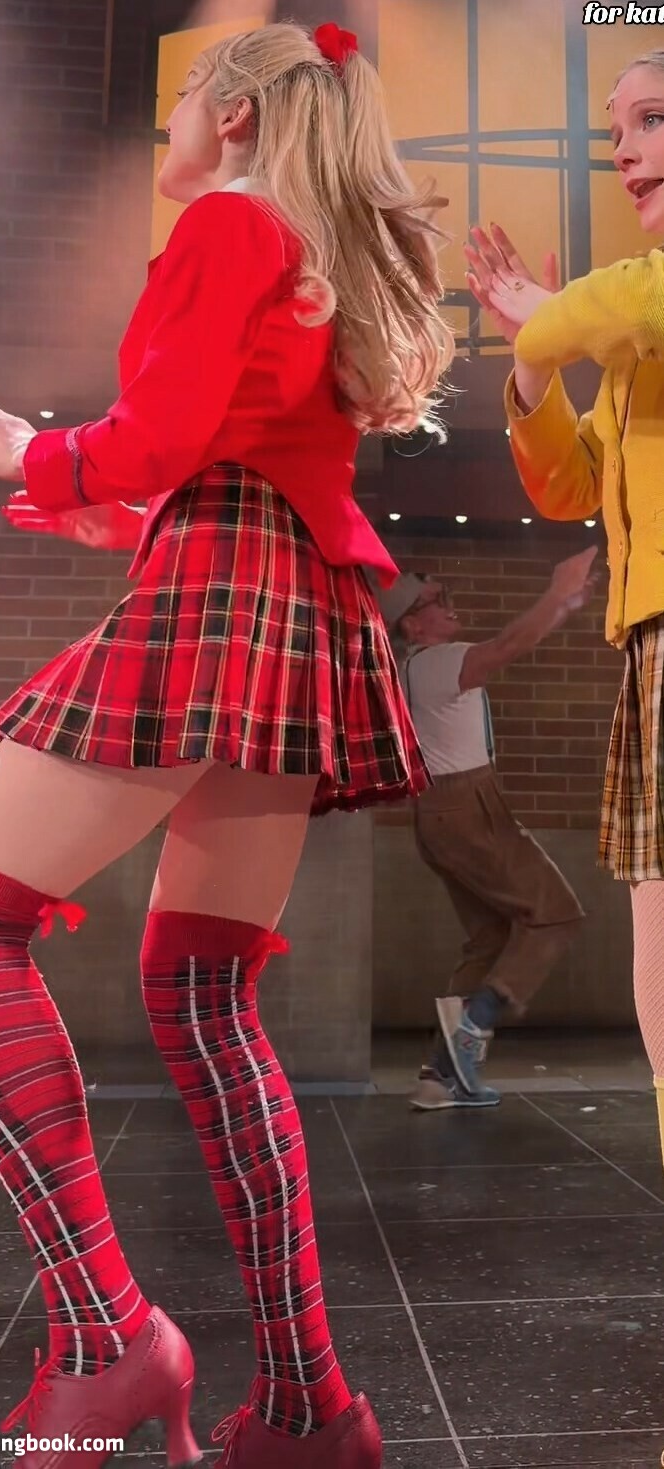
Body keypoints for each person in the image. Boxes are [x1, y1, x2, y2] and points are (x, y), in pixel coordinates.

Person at [0, 21, 454, 1469]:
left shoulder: (227, 221)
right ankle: (307, 1408)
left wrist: (25, 451)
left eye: (182, 102)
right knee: (205, 999)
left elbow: (154, 438)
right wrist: (113, 503)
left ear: (236, 111)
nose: (169, 126)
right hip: (294, 609)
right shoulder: (313, 248)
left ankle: (108, 1338)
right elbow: (236, 458)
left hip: (225, 599)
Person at [465, 51, 664, 1184]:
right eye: (616, 130)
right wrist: (531, 369)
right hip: (647, 639)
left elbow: (630, 301)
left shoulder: (633, 301)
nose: (623, 150)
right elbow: (568, 485)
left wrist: (550, 320)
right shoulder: (625, 327)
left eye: (651, 119)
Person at [374, 557, 592, 1111]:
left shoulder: (418, 666)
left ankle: (440, 1076)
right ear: (412, 624)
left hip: (442, 814)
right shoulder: (437, 661)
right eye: (437, 600)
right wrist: (557, 593)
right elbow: (509, 646)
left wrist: (562, 604)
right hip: (467, 808)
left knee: (491, 938)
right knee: (557, 914)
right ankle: (475, 1026)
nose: (451, 606)